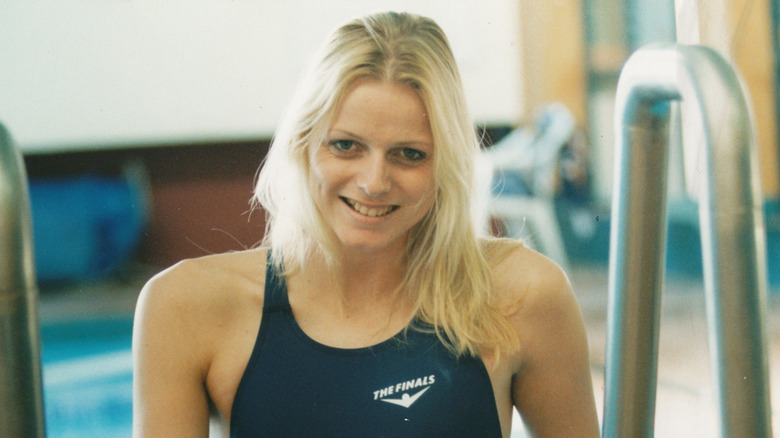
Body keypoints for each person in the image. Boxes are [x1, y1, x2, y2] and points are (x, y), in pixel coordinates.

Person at [132, 11, 599, 438]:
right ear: (302, 141)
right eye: (346, 146)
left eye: (409, 154)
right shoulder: (187, 307)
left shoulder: (520, 295)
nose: (374, 182)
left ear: (446, 166)